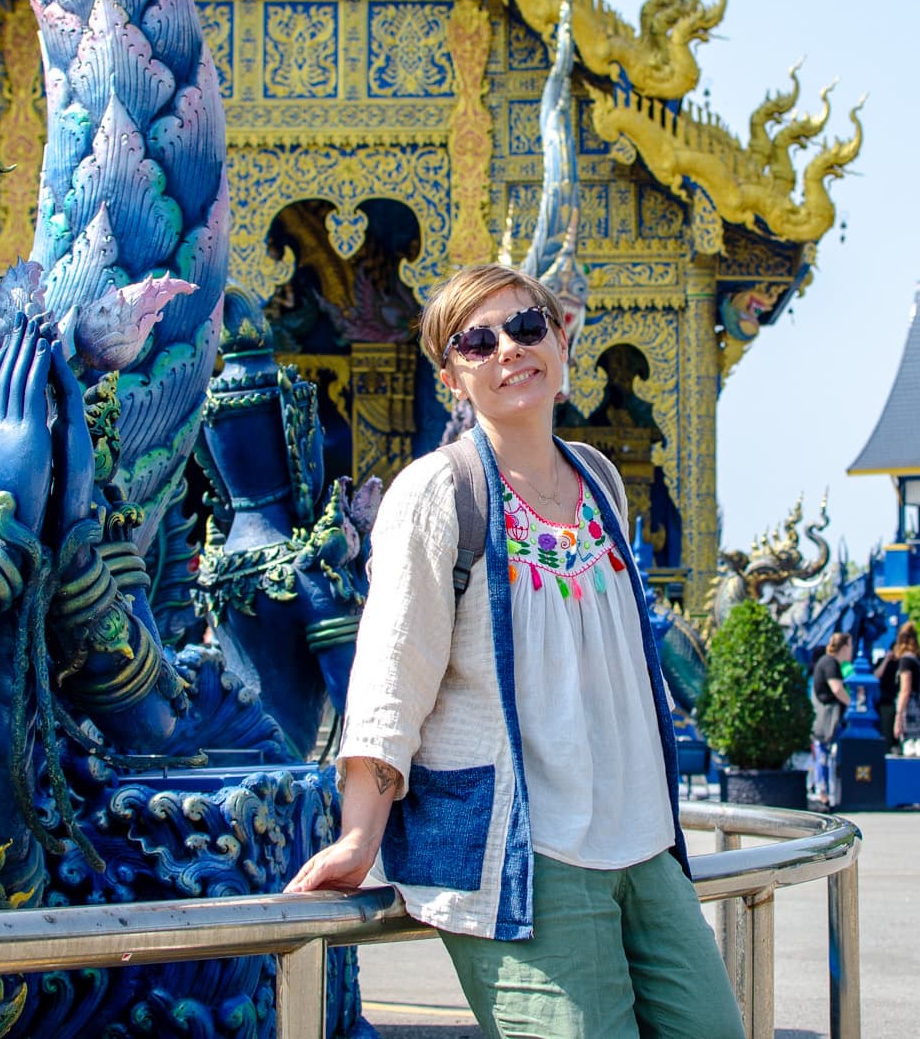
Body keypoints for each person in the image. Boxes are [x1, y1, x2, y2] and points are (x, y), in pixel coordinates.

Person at [286, 264, 743, 1039]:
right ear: (451, 378)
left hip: (643, 839)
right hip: (526, 852)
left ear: (562, 339)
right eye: (477, 341)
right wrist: (360, 833)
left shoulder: (600, 480)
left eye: (527, 327)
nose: (509, 350)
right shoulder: (440, 492)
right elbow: (393, 669)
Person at [878, 621, 920, 753]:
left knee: (911, 748)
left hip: (911, 711)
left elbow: (905, 690)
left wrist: (898, 716)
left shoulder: (906, 661)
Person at [809, 632, 854, 800]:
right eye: (851, 646)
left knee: (823, 754)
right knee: (824, 754)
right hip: (827, 719)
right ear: (844, 647)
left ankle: (824, 792)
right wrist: (852, 704)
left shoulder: (824, 661)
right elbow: (836, 689)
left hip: (825, 717)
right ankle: (825, 795)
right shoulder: (830, 663)